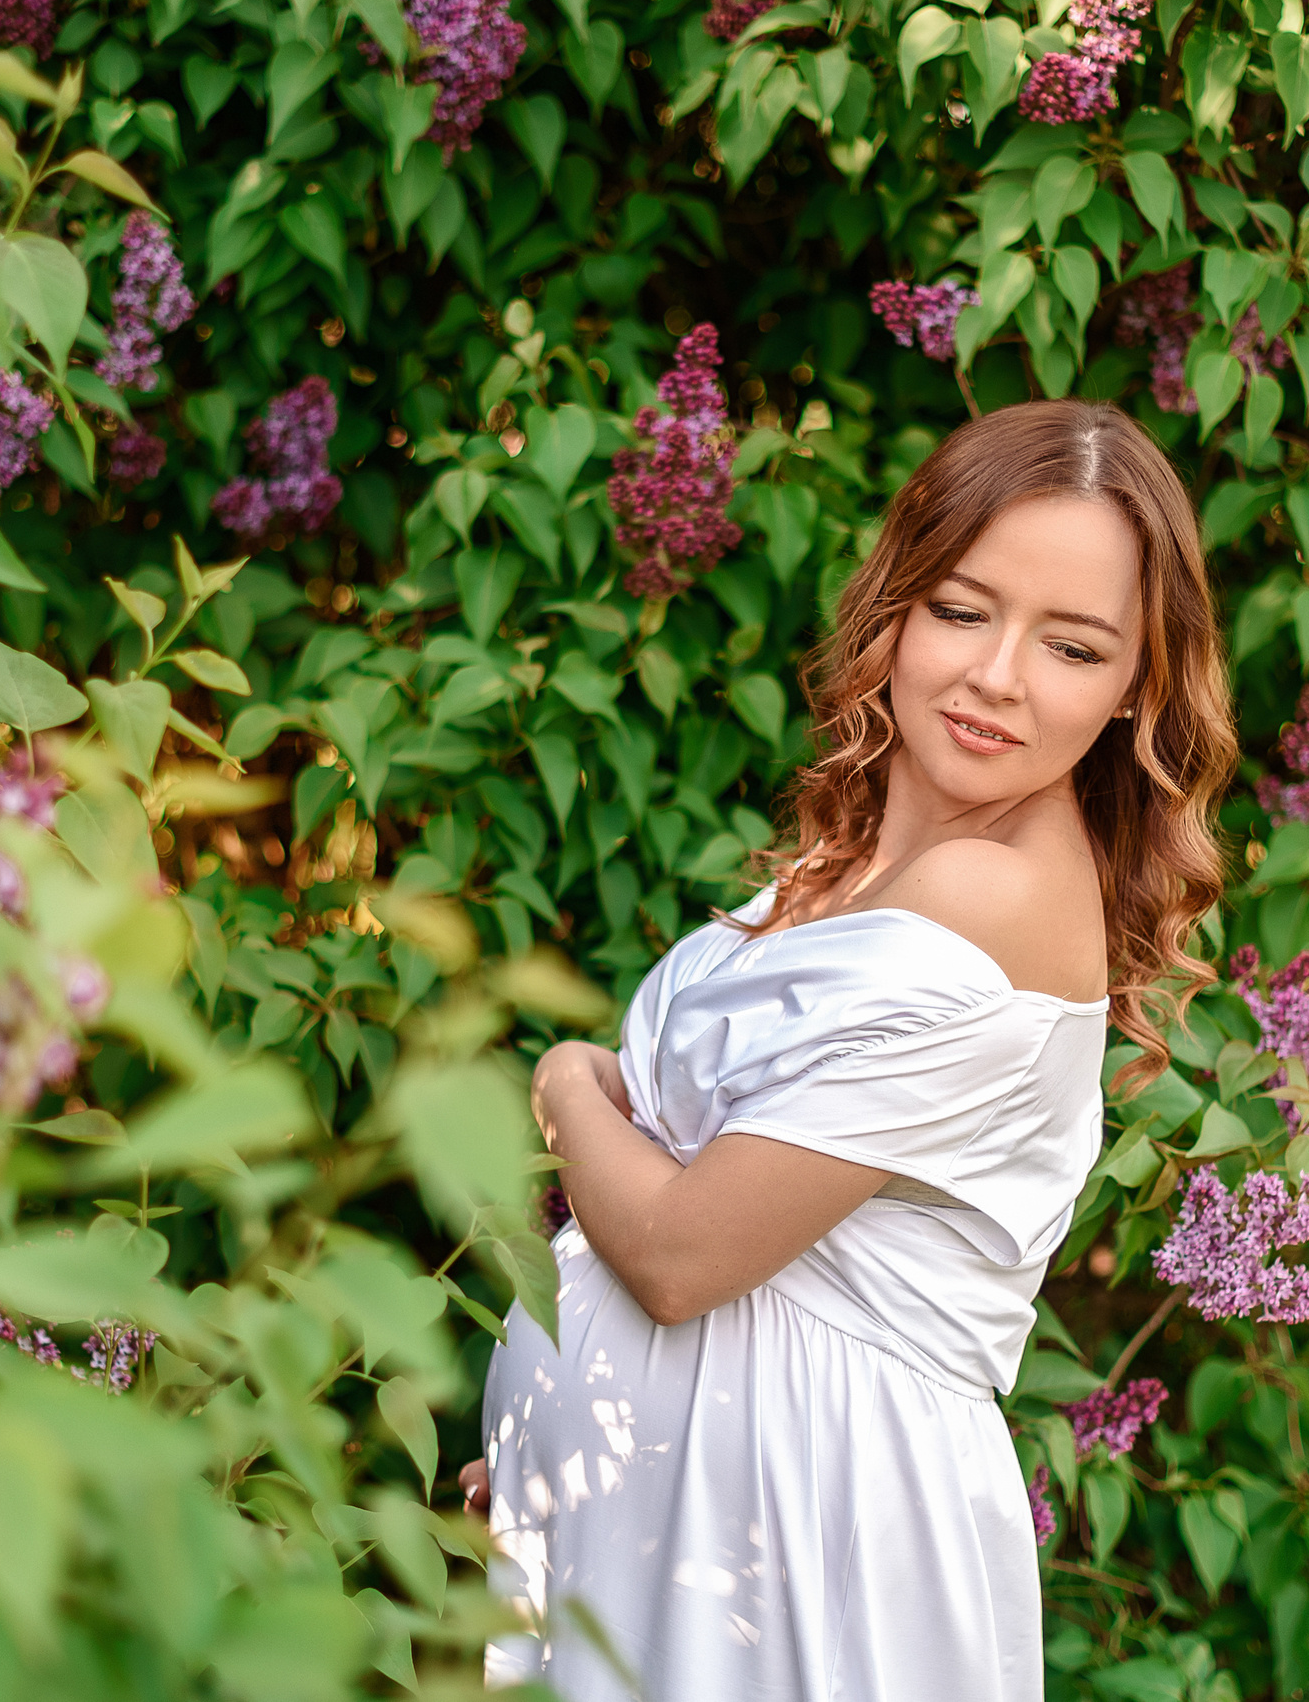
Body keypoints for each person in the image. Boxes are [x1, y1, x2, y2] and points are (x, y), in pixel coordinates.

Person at [462, 399, 1235, 1700]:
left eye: (1073, 645)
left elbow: (678, 1253)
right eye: (964, 608)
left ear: (1136, 690)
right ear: (897, 603)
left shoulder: (996, 901)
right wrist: (564, 1444)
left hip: (799, 1547)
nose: (997, 676)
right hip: (668, 1525)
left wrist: (565, 1083)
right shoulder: (858, 859)